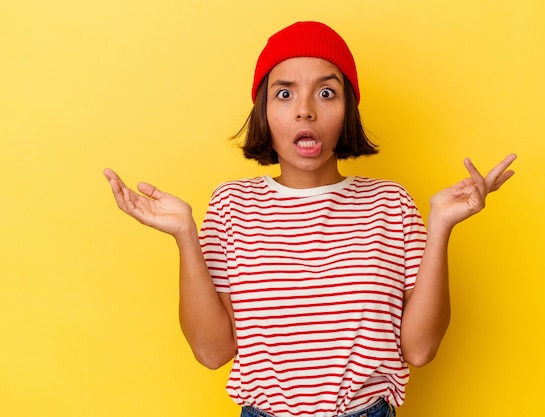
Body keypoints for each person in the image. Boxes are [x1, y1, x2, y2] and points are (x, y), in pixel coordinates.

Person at [104, 21, 516, 417]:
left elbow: (420, 350)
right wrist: (184, 236)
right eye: (284, 94)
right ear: (264, 111)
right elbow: (212, 353)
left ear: (347, 110)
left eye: (326, 93)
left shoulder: (390, 204)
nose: (305, 111)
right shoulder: (231, 206)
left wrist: (441, 226)